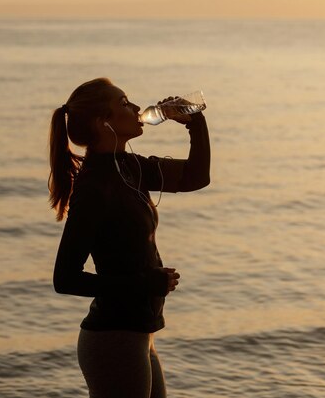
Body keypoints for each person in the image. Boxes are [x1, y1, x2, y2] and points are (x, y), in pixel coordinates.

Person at [48, 78, 210, 398]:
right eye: (124, 103)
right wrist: (144, 284)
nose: (136, 109)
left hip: (139, 335)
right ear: (102, 122)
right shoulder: (94, 187)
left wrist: (195, 123)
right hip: (113, 340)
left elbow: (196, 177)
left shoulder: (130, 167)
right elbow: (64, 279)